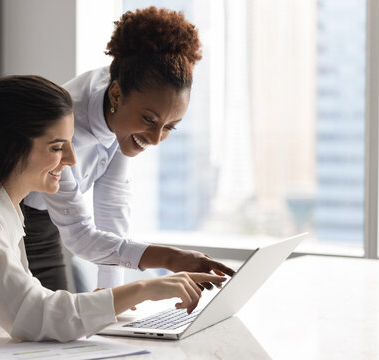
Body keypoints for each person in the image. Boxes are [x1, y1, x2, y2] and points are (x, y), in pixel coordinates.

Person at [0, 75, 227, 344]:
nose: (71, 160)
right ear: (10, 148)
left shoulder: (3, 211)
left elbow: (33, 306)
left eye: (70, 144)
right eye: (57, 147)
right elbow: (34, 315)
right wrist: (144, 288)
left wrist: (121, 292)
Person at [23, 6, 235, 291]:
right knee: (43, 325)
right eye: (149, 120)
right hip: (18, 218)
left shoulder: (124, 94)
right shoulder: (67, 123)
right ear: (116, 94)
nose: (157, 138)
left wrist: (110, 290)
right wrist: (170, 258)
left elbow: (112, 201)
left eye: (170, 126)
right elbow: (79, 234)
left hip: (46, 221)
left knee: (64, 323)